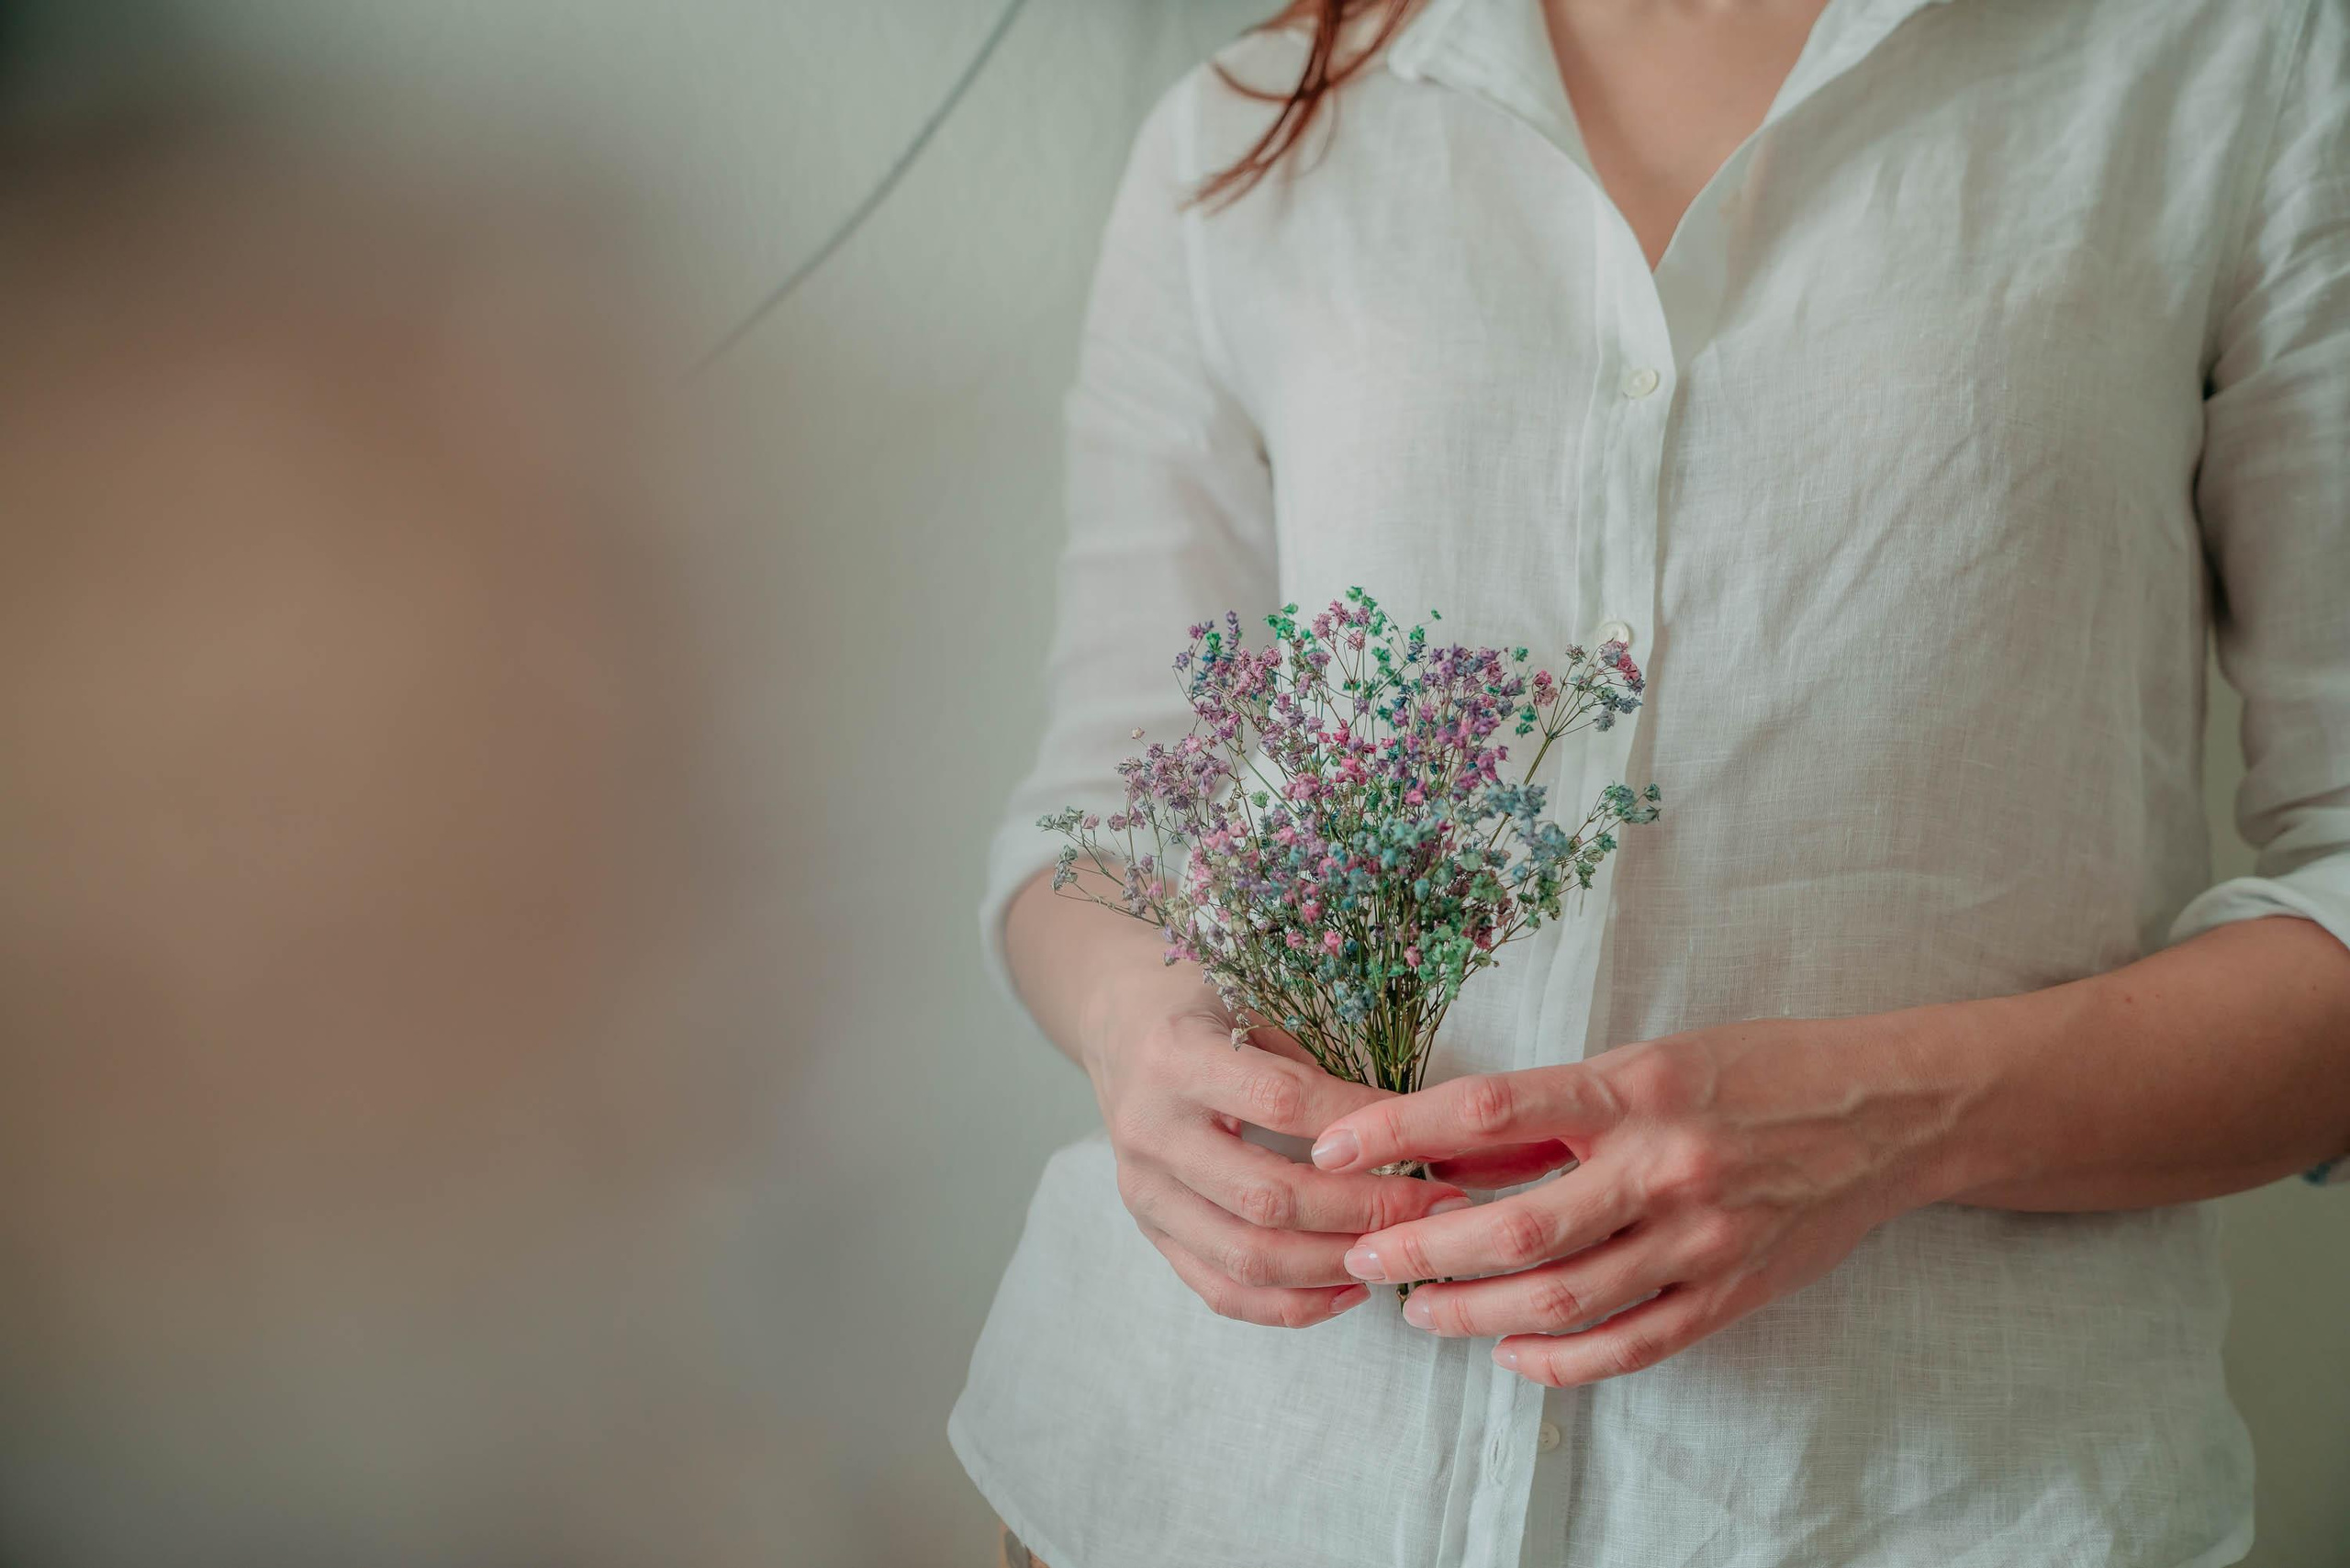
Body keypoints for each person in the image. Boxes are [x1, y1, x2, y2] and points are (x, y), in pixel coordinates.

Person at [954, 1, 2350, 1565]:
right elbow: (1103, 810)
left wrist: (1899, 1116)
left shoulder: (2241, 69)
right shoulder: (1256, 121)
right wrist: (1141, 1040)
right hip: (1189, 1484)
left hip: (1914, 1503)